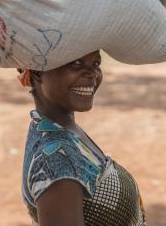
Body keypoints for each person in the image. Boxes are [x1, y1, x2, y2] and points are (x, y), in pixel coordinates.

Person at [20, 50, 147, 226]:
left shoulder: (60, 130)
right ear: (37, 72)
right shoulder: (57, 158)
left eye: (95, 63)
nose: (92, 74)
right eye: (75, 63)